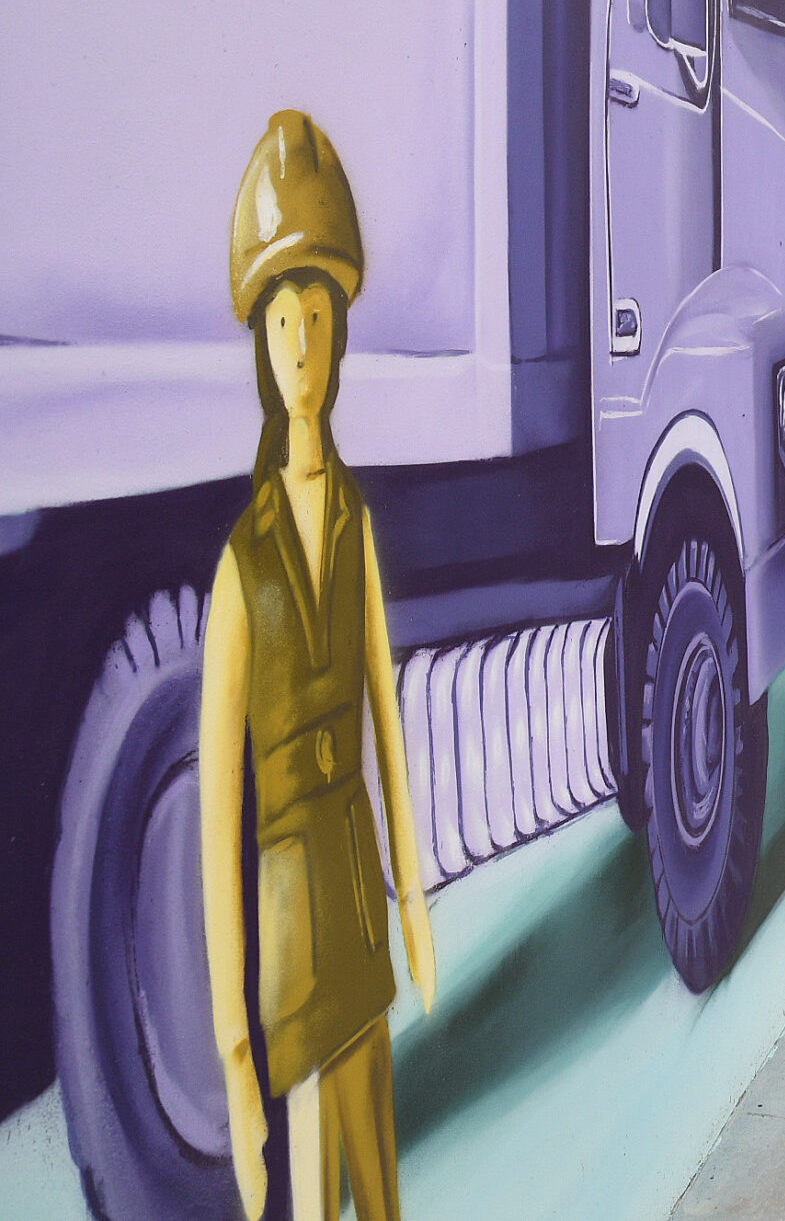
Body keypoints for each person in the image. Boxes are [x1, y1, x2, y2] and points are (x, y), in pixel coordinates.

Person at [200, 113, 436, 1221]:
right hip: (292, 936)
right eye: (282, 322)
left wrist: (414, 904)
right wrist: (235, 1058)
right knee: (313, 1198)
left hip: (358, 904)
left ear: (339, 338)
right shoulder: (238, 568)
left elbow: (387, 719)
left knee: (381, 1189)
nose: (301, 345)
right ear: (261, 342)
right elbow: (216, 827)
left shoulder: (353, 520)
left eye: (318, 320)